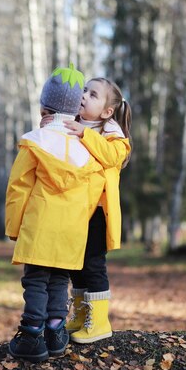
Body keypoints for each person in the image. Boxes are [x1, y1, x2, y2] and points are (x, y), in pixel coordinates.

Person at [5, 64, 106, 362]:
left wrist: (14, 227)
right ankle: (56, 331)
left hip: (40, 226)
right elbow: (91, 195)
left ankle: (32, 334)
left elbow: (18, 189)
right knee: (60, 280)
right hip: (71, 230)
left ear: (43, 108)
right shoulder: (86, 149)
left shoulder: (35, 142)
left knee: (36, 280)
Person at [43, 77, 132, 344]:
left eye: (93, 94)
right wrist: (48, 125)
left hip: (97, 212)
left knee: (93, 265)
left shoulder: (110, 129)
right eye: (84, 90)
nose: (83, 96)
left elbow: (114, 155)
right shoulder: (75, 122)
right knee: (76, 265)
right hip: (76, 210)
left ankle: (100, 322)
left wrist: (85, 134)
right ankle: (82, 316)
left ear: (107, 111)